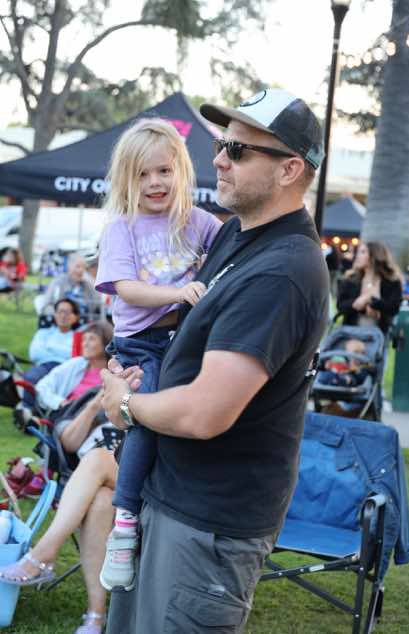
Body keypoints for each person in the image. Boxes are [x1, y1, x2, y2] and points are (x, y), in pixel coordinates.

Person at [101, 88, 329, 634]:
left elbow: (206, 412)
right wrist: (134, 374)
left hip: (208, 523)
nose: (220, 160)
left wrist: (126, 403)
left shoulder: (281, 271)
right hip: (171, 495)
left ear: (289, 169)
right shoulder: (235, 236)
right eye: (221, 145)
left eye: (239, 150)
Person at [94, 117, 222, 592]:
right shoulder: (122, 228)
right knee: (146, 416)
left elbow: (233, 248)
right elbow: (126, 289)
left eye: (164, 171)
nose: (155, 182)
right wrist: (178, 293)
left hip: (184, 339)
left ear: (181, 171)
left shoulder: (198, 221)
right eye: (143, 174)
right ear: (127, 179)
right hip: (141, 344)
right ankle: (124, 521)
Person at [0, 321, 126, 634]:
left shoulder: (131, 381)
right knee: (100, 502)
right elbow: (68, 443)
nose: (86, 343)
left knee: (98, 458)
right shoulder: (81, 377)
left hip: (131, 470)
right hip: (98, 476)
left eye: (93, 338)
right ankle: (96, 616)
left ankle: (43, 554)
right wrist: (92, 406)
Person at [18, 299, 81, 409]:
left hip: (67, 369)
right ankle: (28, 410)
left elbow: (76, 356)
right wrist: (64, 351)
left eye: (67, 312)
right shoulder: (43, 333)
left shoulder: (79, 337)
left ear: (76, 317)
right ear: (55, 315)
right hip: (45, 366)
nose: (63, 316)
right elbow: (35, 354)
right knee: (31, 378)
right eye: (60, 312)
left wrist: (50, 349)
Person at [337, 241, 402, 335]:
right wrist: (357, 304)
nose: (358, 256)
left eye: (363, 252)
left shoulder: (392, 281)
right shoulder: (351, 279)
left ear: (374, 256)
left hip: (378, 334)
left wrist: (372, 301)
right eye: (359, 252)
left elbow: (394, 308)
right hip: (351, 332)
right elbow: (340, 305)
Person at [38, 253, 101, 318]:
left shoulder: (87, 285)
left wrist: (90, 282)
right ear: (69, 267)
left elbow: (98, 303)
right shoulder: (58, 282)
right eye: (78, 266)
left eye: (84, 267)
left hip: (86, 320)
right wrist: (59, 317)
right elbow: (47, 305)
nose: (81, 270)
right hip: (63, 320)